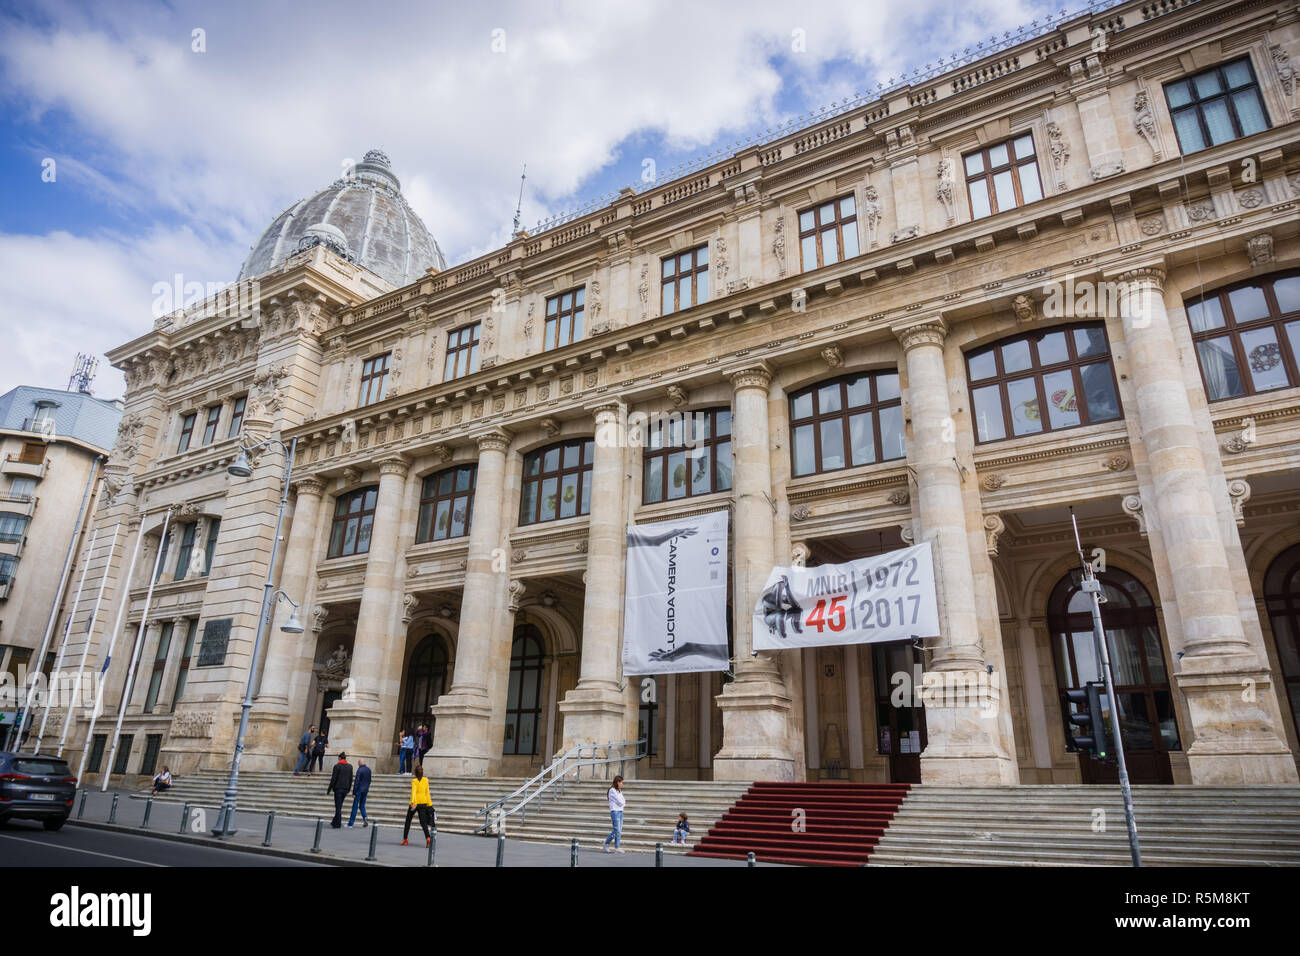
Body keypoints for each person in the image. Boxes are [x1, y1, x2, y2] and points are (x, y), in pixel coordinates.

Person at [402, 765, 435, 846]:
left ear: (415, 773)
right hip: (423, 803)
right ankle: (428, 837)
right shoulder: (426, 780)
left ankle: (405, 838)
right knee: (423, 822)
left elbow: (413, 792)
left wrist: (413, 802)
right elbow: (427, 793)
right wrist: (429, 804)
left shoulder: (414, 781)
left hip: (415, 803)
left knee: (408, 821)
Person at [326, 752, 353, 829]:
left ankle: (338, 823)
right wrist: (349, 788)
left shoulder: (337, 766)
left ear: (340, 758)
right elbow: (351, 779)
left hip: (338, 789)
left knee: (338, 807)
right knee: (339, 806)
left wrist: (329, 789)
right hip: (345, 789)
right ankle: (334, 821)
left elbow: (333, 779)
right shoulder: (350, 767)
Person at [603, 775, 626, 854]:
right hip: (615, 812)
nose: (622, 784)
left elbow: (623, 801)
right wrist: (621, 803)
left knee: (619, 831)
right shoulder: (612, 790)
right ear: (617, 782)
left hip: (620, 812)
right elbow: (620, 801)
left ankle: (617, 848)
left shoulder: (619, 791)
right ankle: (606, 842)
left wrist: (622, 803)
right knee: (616, 829)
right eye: (621, 782)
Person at [348, 758, 371, 828]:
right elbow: (370, 780)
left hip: (359, 790)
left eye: (358, 763)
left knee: (355, 806)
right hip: (365, 790)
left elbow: (356, 782)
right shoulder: (368, 770)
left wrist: (354, 792)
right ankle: (365, 817)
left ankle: (351, 824)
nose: (358, 764)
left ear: (360, 763)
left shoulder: (359, 770)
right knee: (362, 805)